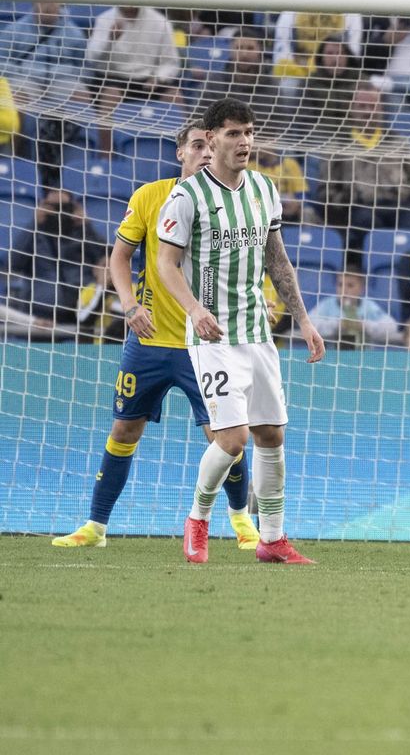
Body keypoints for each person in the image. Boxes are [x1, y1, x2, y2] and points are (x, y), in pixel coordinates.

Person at [52, 123, 261, 550]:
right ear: (180, 152)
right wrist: (130, 305)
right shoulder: (150, 196)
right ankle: (96, 526)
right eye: (197, 145)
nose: (206, 153)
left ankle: (241, 519)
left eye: (211, 145)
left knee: (225, 438)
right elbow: (119, 257)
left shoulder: (233, 202)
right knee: (124, 430)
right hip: (148, 341)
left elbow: (249, 261)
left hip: (205, 344)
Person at [154, 98, 325, 565]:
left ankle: (272, 539)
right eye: (234, 133)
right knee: (232, 440)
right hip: (212, 337)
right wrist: (194, 309)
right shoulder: (187, 197)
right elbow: (166, 264)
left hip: (256, 331)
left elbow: (277, 260)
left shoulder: (264, 189)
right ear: (211, 140)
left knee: (272, 434)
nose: (245, 141)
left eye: (249, 132)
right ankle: (198, 519)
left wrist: (304, 320)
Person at [321, 85, 410, 252]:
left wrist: (406, 192)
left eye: (372, 106)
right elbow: (325, 191)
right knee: (367, 224)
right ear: (351, 109)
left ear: (381, 109)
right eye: (362, 106)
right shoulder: (338, 145)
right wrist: (348, 199)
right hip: (360, 209)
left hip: (399, 206)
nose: (367, 111)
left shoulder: (399, 142)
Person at [2, 188, 104, 325]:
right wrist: (34, 224)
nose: (58, 212)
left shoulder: (84, 235)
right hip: (40, 311)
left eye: (64, 207)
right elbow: (12, 264)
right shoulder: (34, 236)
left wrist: (86, 226)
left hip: (80, 311)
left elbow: (105, 260)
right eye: (53, 207)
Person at [85, 0, 182, 104]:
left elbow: (170, 62)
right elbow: (91, 57)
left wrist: (158, 77)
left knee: (175, 96)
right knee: (111, 94)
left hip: (148, 80)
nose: (130, 6)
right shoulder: (104, 19)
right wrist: (109, 40)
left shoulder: (161, 23)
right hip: (113, 79)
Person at [308, 270, 403, 347]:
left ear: (361, 288)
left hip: (364, 356)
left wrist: (364, 325)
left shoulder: (369, 307)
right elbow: (309, 325)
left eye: (350, 285)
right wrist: (338, 325)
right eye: (340, 285)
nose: (344, 290)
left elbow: (392, 327)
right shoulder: (327, 305)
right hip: (330, 356)